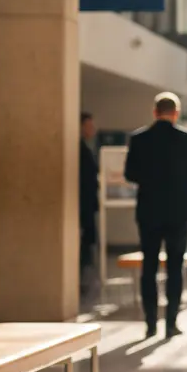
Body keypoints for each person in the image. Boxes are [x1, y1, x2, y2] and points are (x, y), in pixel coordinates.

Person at [124, 92, 187, 339]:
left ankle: (150, 323)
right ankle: (171, 322)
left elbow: (130, 174)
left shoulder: (139, 139)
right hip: (179, 211)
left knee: (148, 266)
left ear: (155, 112)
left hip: (149, 210)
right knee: (175, 266)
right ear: (176, 113)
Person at [79, 113, 100, 292]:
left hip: (87, 206)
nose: (92, 129)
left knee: (87, 244)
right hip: (82, 207)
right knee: (83, 244)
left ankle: (84, 280)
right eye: (89, 125)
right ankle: (80, 281)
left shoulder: (85, 149)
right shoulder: (80, 151)